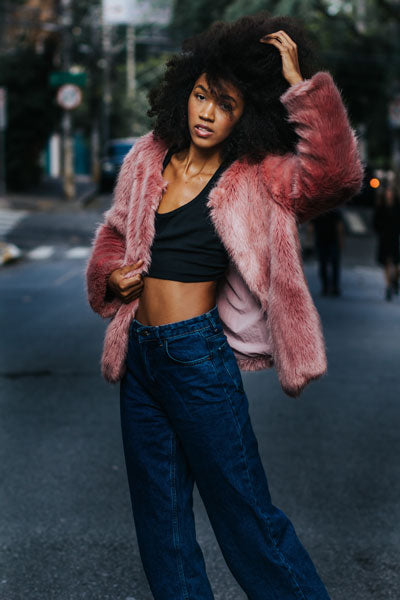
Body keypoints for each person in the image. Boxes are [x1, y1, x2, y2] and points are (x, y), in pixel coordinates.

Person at [85, 12, 363, 600]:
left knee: (245, 518)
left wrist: (302, 88)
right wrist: (113, 275)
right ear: (186, 91)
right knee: (161, 525)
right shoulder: (147, 158)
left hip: (197, 358)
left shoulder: (257, 179)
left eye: (226, 104)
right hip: (141, 357)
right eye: (202, 95)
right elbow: (113, 233)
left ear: (246, 115)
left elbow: (336, 176)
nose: (207, 113)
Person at [372, 179, 400, 301]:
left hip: (395, 237)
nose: (389, 195)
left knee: (397, 264)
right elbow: (376, 223)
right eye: (388, 193)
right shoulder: (381, 207)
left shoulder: (398, 207)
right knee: (387, 263)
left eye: (391, 193)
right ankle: (388, 286)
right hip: (385, 237)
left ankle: (394, 280)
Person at [311, 207, 345, 296]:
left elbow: (311, 227)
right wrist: (340, 241)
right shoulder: (335, 209)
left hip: (321, 239)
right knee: (334, 264)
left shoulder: (318, 209)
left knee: (323, 264)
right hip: (333, 240)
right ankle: (334, 287)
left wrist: (309, 240)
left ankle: (325, 286)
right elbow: (339, 226)